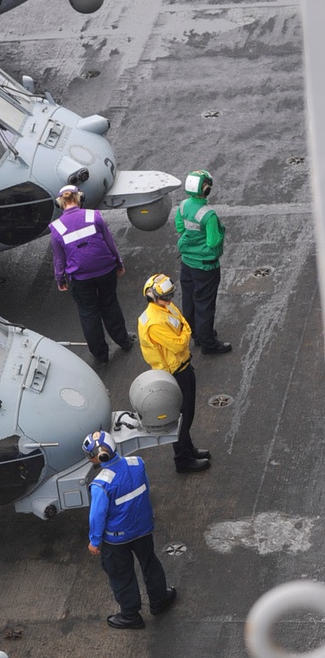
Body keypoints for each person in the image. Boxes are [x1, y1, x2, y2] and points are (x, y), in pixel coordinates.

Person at [83, 429, 177, 630]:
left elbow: (97, 516)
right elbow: (145, 489)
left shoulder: (101, 484)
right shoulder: (137, 463)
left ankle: (130, 615)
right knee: (150, 563)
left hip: (116, 540)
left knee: (121, 575)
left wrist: (95, 541)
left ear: (95, 458)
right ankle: (159, 600)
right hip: (143, 529)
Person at [49, 184, 134, 364]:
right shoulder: (93, 216)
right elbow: (110, 242)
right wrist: (119, 263)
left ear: (60, 203)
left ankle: (101, 355)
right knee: (110, 304)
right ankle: (123, 341)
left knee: (88, 313)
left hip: (81, 278)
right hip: (106, 271)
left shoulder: (56, 228)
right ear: (80, 198)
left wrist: (60, 278)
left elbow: (59, 259)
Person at [138, 273, 210, 474]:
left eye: (170, 296)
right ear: (152, 296)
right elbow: (179, 344)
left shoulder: (165, 307)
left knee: (188, 413)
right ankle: (183, 460)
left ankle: (188, 449)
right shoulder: (154, 322)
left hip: (183, 367)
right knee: (182, 417)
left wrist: (184, 333)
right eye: (165, 297)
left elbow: (183, 323)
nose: (169, 300)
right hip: (174, 373)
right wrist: (185, 335)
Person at [175, 168, 231, 355]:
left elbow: (180, 227)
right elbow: (213, 241)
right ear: (205, 189)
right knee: (205, 305)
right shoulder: (209, 215)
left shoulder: (183, 206)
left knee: (189, 301)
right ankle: (208, 343)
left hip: (187, 263)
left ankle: (197, 335)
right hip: (206, 267)